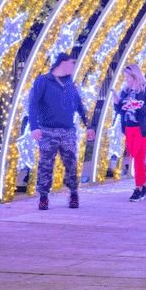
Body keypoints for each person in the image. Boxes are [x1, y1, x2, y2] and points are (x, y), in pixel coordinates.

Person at [28, 52, 94, 210]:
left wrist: (88, 125)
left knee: (71, 163)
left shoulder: (70, 84)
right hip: (47, 130)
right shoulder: (43, 81)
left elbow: (78, 105)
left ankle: (73, 194)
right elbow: (33, 104)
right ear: (62, 63)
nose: (73, 66)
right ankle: (43, 197)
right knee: (45, 164)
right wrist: (34, 127)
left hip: (67, 131)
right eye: (72, 63)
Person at [113, 63, 146, 202]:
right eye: (125, 76)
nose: (126, 79)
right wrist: (117, 103)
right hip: (129, 128)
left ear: (135, 75)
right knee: (135, 156)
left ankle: (138, 189)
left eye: (128, 76)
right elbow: (121, 110)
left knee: (138, 158)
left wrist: (139, 106)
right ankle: (145, 186)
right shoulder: (125, 91)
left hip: (142, 128)